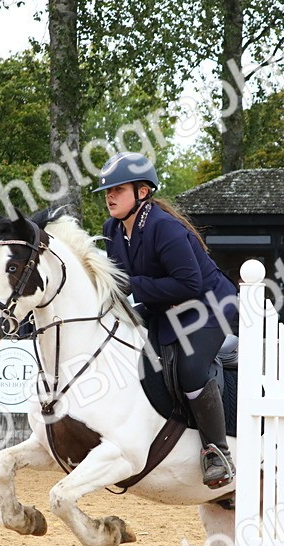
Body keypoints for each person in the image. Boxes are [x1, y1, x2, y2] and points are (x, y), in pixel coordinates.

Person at [97, 151, 237, 490]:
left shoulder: (164, 227)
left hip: (210, 306)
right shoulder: (112, 230)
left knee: (189, 369)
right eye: (107, 191)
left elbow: (190, 284)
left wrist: (134, 286)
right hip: (166, 306)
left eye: (118, 189)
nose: (110, 197)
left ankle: (218, 451)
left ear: (142, 192)